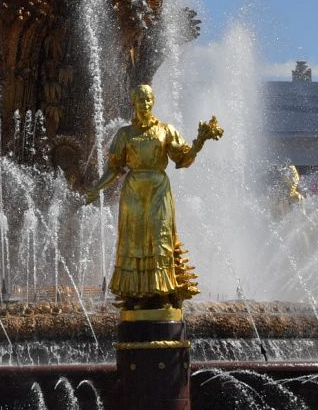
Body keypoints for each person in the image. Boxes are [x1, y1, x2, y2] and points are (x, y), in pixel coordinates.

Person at [88, 83, 223, 308]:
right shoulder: (125, 134)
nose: (146, 104)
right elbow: (114, 168)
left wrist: (199, 142)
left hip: (159, 188)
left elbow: (183, 159)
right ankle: (135, 295)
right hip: (133, 190)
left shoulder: (165, 130)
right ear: (134, 103)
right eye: (141, 100)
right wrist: (97, 188)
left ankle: (162, 293)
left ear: (154, 101)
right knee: (134, 242)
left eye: (149, 99)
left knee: (160, 238)